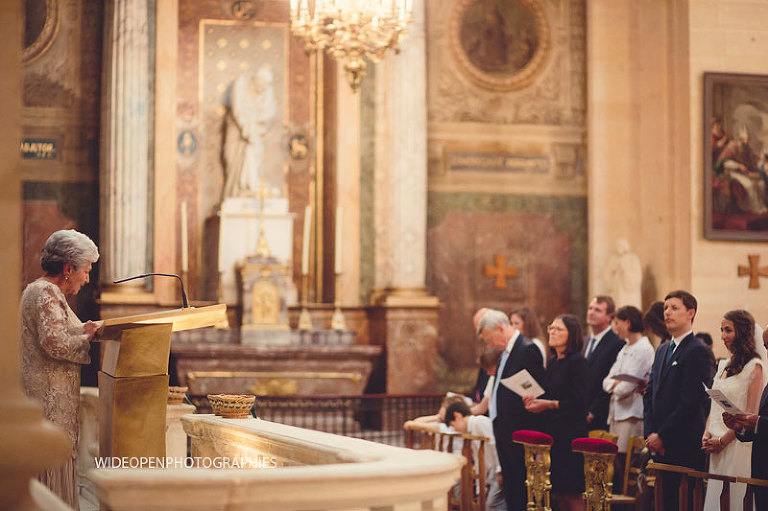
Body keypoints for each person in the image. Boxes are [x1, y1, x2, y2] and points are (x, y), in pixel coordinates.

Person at [20, 230, 101, 509]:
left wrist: (84, 329)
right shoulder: (46, 291)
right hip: (49, 403)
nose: (87, 278)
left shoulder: (40, 290)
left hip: (48, 400)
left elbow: (58, 332)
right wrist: (87, 337)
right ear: (68, 268)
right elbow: (54, 343)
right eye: (86, 271)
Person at [643, 290, 714, 511]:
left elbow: (691, 401)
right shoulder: (663, 349)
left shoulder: (698, 352)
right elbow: (649, 393)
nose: (667, 313)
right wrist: (650, 433)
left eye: (674, 308)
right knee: (662, 502)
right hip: (659, 443)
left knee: (681, 503)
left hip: (683, 441)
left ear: (690, 313)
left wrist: (662, 435)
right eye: (665, 308)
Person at [478, 308, 545, 510]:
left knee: (519, 484)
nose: (489, 345)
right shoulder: (506, 352)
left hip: (520, 428)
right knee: (510, 485)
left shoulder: (527, 348)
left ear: (500, 328)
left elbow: (538, 391)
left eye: (490, 339)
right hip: (504, 428)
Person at [524, 314, 588, 511]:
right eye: (551, 328)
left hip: (571, 433)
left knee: (573, 492)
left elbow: (581, 402)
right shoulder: (553, 362)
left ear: (572, 334)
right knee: (558, 492)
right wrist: (534, 401)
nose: (552, 332)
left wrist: (549, 404)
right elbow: (548, 393)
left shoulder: (577, 362)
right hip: (553, 432)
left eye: (558, 329)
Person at [702, 310, 764, 511]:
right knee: (715, 498)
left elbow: (751, 413)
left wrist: (723, 441)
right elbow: (715, 402)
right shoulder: (723, 365)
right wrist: (707, 433)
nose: (722, 335)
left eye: (728, 330)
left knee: (734, 500)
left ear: (742, 331)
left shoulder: (755, 367)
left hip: (737, 445)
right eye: (721, 330)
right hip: (716, 445)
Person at [602, 305, 654, 482]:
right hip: (616, 413)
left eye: (617, 323)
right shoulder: (625, 348)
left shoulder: (643, 348)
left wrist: (616, 385)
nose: (615, 328)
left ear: (628, 322)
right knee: (615, 462)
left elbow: (626, 387)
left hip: (631, 415)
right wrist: (616, 384)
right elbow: (606, 380)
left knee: (626, 465)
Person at [724, 325, 768, 510]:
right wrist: (740, 426)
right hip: (762, 468)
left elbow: (762, 421)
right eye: (766, 346)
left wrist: (758, 422)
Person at [222, 66, 277, 198]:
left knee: (254, 159)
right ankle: (234, 193)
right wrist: (245, 128)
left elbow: (269, 113)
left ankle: (251, 189)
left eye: (264, 86)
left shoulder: (267, 90)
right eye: (260, 85)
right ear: (255, 79)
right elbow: (237, 109)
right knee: (231, 159)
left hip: (256, 131)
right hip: (236, 128)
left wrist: (255, 128)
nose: (261, 89)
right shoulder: (241, 83)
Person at [444, 400, 506, 511]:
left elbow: (496, 443)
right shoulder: (470, 432)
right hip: (492, 474)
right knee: (490, 506)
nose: (456, 430)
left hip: (501, 468)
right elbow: (479, 460)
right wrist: (479, 489)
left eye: (453, 426)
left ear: (457, 416)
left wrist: (500, 469)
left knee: (492, 506)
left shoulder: (479, 422)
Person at [583, 295, 625, 432]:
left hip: (600, 414)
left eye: (598, 310)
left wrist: (594, 411)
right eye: (590, 308)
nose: (591, 312)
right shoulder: (584, 341)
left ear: (609, 317)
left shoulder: (616, 342)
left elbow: (612, 380)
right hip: (580, 411)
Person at [471, 347, 502, 416]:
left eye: (490, 369)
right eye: (486, 370)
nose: (488, 373)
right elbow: (481, 408)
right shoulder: (492, 379)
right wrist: (463, 412)